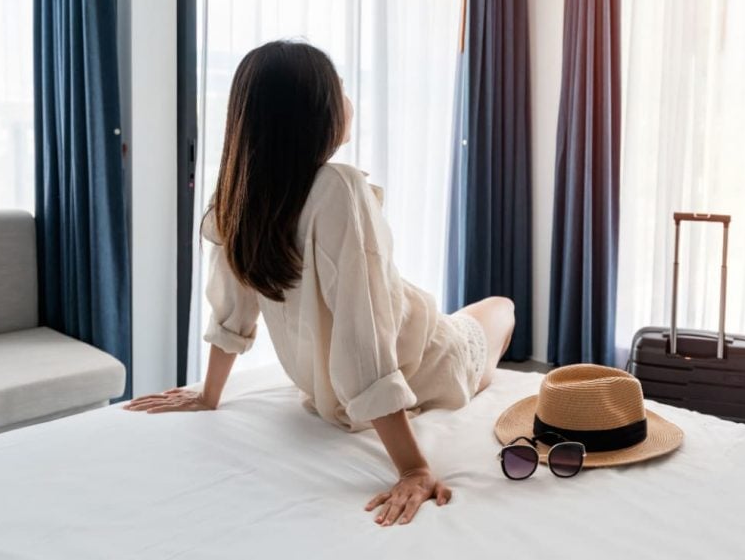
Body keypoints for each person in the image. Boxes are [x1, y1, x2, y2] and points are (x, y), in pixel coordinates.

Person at [125, 40, 515, 527]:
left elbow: (232, 309)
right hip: (428, 357)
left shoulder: (242, 194)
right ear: (314, 113)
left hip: (360, 365)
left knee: (472, 310)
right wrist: (413, 468)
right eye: (341, 90)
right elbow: (363, 333)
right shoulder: (337, 188)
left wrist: (210, 393)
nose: (349, 101)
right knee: (501, 307)